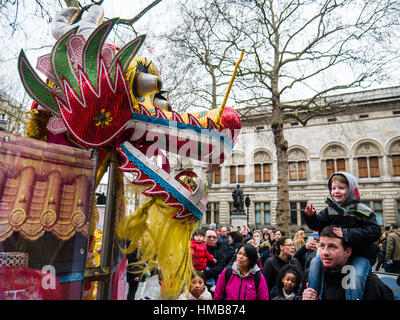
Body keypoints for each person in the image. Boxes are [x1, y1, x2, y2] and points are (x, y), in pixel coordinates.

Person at [304, 172, 381, 300]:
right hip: (337, 254)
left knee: (356, 275)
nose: (336, 192)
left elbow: (374, 231)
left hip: (360, 254)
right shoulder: (331, 209)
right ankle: (313, 296)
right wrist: (310, 217)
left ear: (351, 189)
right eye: (333, 188)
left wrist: (347, 234)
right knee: (315, 263)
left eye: (341, 188)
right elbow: (317, 225)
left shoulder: (362, 208)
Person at [302, 226, 394, 300]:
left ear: (347, 252)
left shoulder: (368, 283)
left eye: (332, 247)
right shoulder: (311, 274)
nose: (325, 252)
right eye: (322, 246)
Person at [203, 229, 227, 294]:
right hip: (200, 283)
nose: (212, 239)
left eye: (214, 237)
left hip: (215, 284)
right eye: (209, 237)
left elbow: (221, 266)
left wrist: (208, 273)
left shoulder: (220, 250)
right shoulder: (198, 249)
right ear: (204, 238)